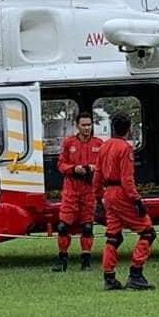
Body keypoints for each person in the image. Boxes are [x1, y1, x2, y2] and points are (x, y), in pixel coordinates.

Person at [92, 113, 156, 291]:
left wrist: (98, 196)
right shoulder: (125, 148)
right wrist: (137, 200)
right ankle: (136, 272)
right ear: (129, 129)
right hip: (121, 193)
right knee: (148, 232)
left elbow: (97, 174)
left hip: (109, 194)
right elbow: (127, 179)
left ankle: (109, 277)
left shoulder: (104, 146)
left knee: (113, 236)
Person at [52, 112, 104, 272]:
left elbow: (104, 166)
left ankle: (86, 261)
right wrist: (74, 169)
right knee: (62, 226)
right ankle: (62, 259)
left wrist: (95, 169)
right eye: (84, 125)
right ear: (77, 125)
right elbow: (60, 165)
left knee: (87, 227)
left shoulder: (99, 143)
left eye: (89, 125)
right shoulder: (69, 143)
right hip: (71, 189)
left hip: (89, 190)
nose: (87, 128)